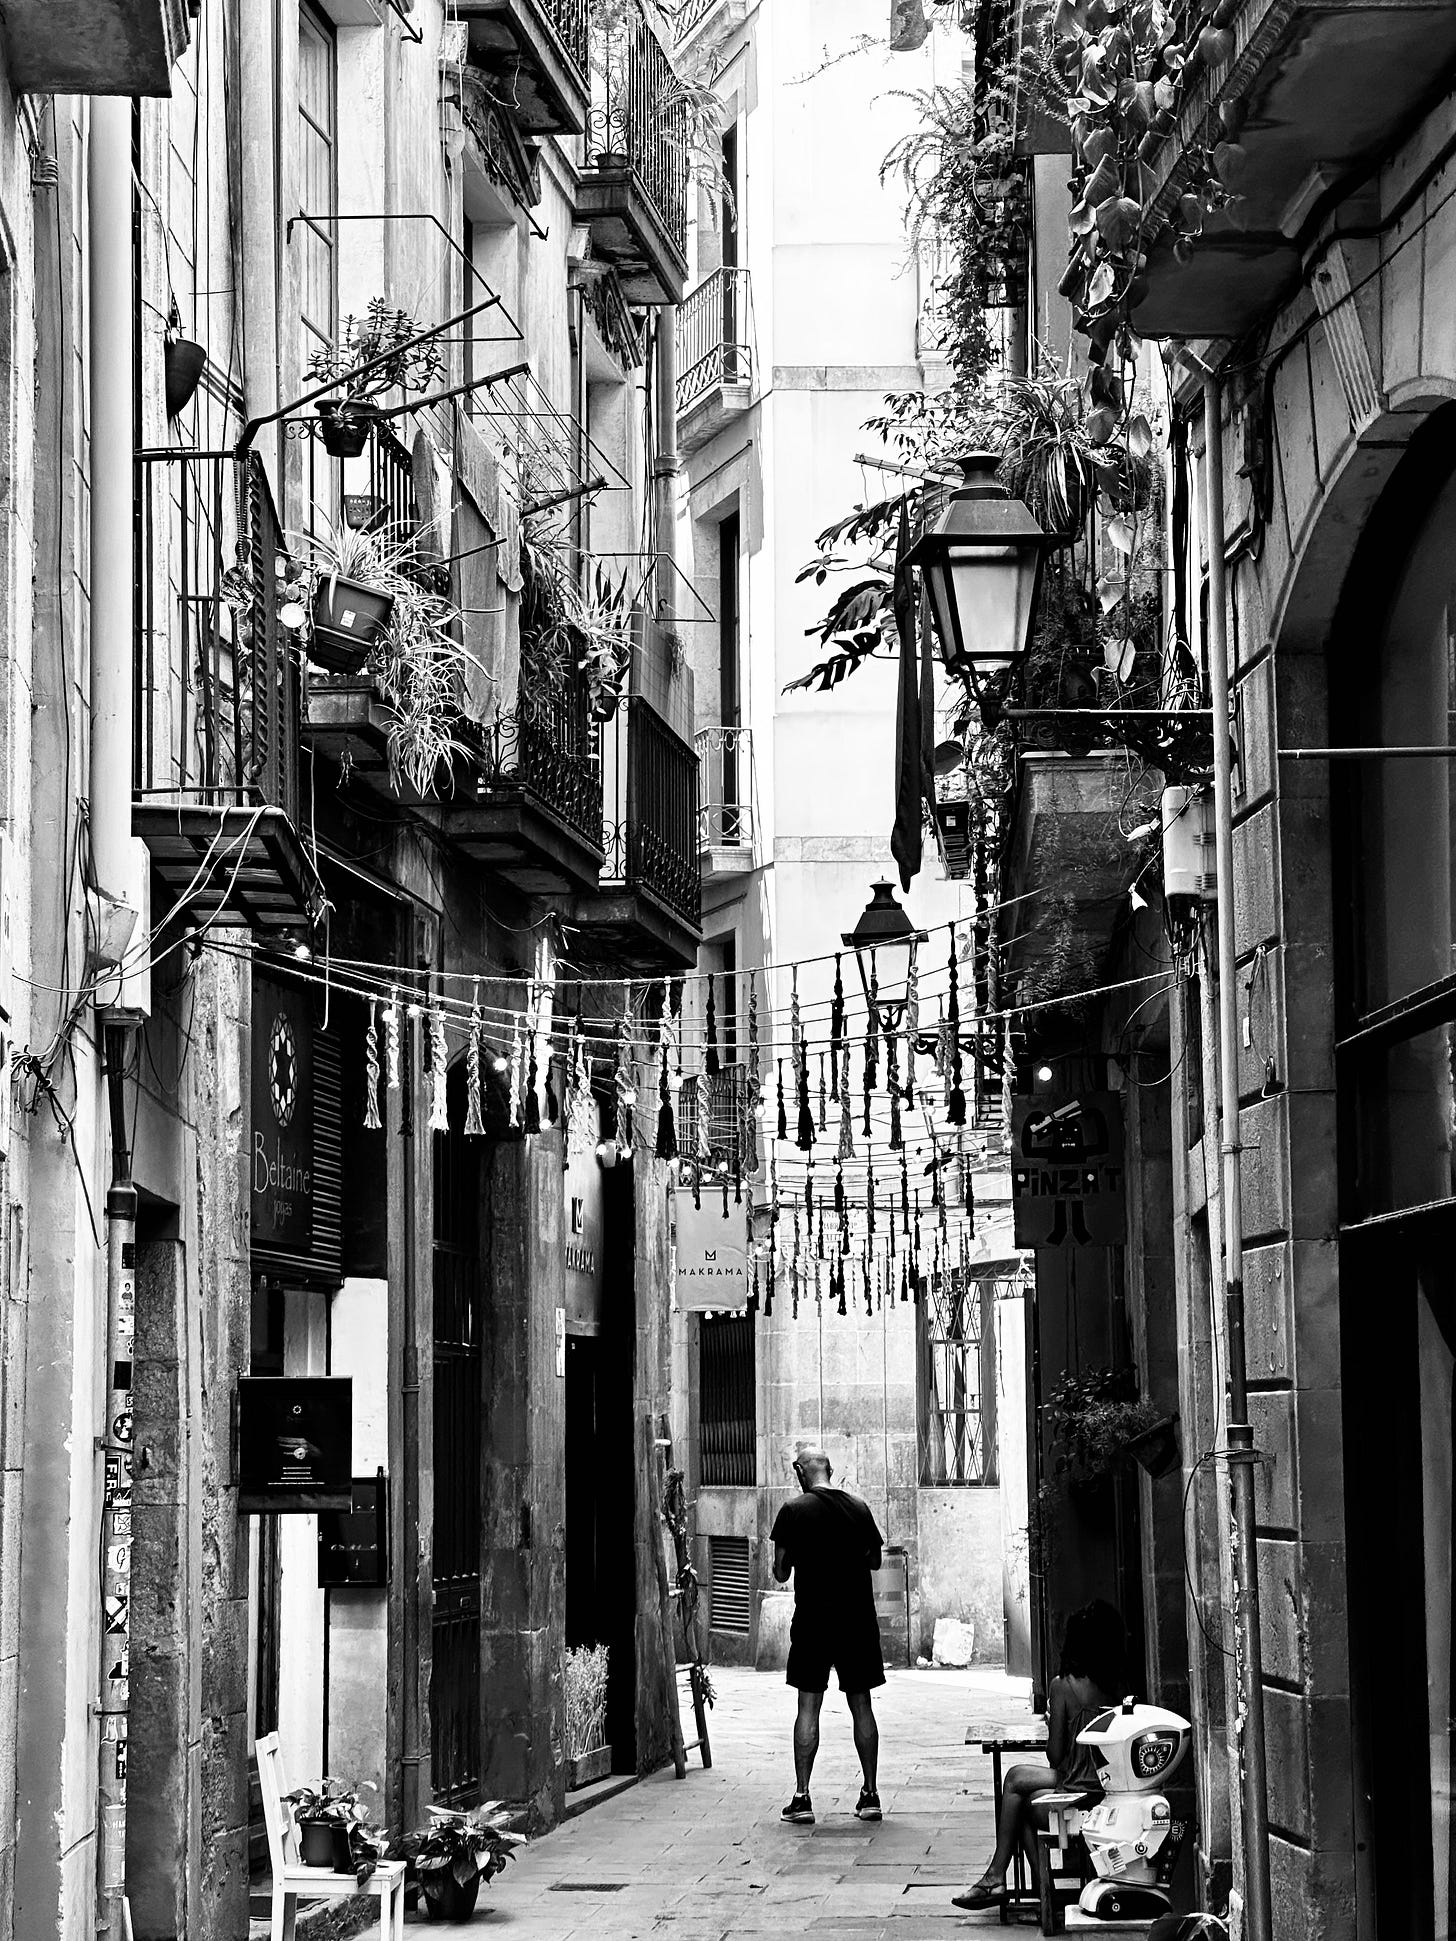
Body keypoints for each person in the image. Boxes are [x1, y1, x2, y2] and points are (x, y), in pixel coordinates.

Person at [951, 1599, 1129, 1911]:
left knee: (1017, 1800)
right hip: (1109, 1792)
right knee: (1016, 1779)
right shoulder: (1120, 1688)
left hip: (1076, 1794)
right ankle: (1005, 1880)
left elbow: (1055, 1757)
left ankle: (1021, 1885)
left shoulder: (1063, 1686)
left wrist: (1052, 1722)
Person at [770, 1441, 886, 1827]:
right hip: (857, 1620)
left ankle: (802, 1797)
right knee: (862, 1704)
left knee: (808, 1706)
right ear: (830, 1471)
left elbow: (780, 1572)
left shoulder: (793, 1511)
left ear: (800, 1472)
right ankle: (870, 1794)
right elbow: (875, 1560)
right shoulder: (859, 1507)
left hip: (813, 1620)